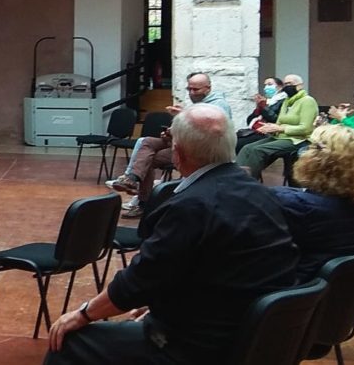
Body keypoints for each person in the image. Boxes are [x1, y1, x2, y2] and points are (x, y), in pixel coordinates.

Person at [45, 104, 298, 364]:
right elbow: (223, 267)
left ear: (177, 153)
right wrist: (163, 302)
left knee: (68, 344)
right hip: (261, 335)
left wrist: (83, 314)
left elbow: (139, 281)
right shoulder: (258, 192)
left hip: (201, 346)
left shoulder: (192, 205)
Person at [106, 72, 230, 218]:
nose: (191, 93)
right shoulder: (198, 104)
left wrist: (183, 115)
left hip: (201, 150)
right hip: (184, 142)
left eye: (195, 89)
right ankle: (132, 179)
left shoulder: (218, 105)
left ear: (208, 88)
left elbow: (208, 132)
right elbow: (190, 128)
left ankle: (141, 201)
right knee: (146, 143)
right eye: (189, 89)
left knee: (147, 158)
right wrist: (172, 131)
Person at [271, 125, 354, 282]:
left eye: (309, 148)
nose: (303, 153)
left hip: (295, 295)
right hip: (333, 298)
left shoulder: (296, 205)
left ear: (318, 160)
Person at [235, 74, 318, 178]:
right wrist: (269, 127)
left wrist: (281, 128)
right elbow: (279, 122)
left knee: (257, 150)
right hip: (280, 136)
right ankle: (234, 177)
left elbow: (306, 128)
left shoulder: (307, 101)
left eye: (290, 84)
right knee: (247, 148)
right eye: (285, 84)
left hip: (298, 139)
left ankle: (247, 181)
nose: (287, 86)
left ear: (300, 85)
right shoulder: (286, 101)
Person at [236, 76, 286, 153]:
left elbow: (275, 119)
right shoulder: (268, 101)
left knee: (240, 143)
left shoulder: (283, 101)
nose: (266, 88)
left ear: (279, 87)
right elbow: (249, 120)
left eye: (269, 84)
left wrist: (263, 107)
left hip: (268, 133)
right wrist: (258, 108)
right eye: (265, 85)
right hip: (255, 130)